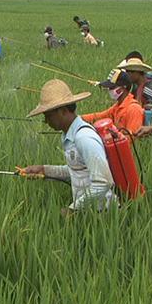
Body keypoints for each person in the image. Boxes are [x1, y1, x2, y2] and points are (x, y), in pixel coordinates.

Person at [21, 79, 116, 214]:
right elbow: (77, 171)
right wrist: (44, 170)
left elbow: (104, 182)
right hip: (89, 212)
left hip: (104, 213)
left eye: (48, 116)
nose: (46, 122)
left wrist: (73, 209)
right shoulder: (69, 136)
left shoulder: (84, 137)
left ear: (63, 111)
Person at [82, 69, 144, 135]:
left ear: (123, 88)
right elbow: (99, 116)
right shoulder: (117, 106)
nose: (109, 90)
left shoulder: (134, 109)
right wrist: (78, 118)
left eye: (112, 87)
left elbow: (133, 137)